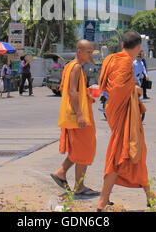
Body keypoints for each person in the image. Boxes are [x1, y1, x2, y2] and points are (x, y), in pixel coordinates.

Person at [96, 31, 156, 211]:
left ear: (122, 45)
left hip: (116, 111)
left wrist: (132, 88)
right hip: (124, 112)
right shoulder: (125, 61)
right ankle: (102, 201)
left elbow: (106, 83)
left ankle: (150, 195)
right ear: (138, 47)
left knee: (133, 153)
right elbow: (120, 88)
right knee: (119, 156)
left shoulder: (110, 59)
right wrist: (135, 90)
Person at [50, 40, 99, 196]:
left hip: (77, 112)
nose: (90, 54)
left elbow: (74, 90)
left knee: (80, 148)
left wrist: (87, 92)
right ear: (79, 51)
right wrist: (79, 115)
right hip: (78, 115)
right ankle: (78, 186)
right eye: (88, 52)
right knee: (85, 148)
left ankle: (61, 173)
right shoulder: (76, 67)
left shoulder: (71, 65)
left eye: (92, 51)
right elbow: (71, 92)